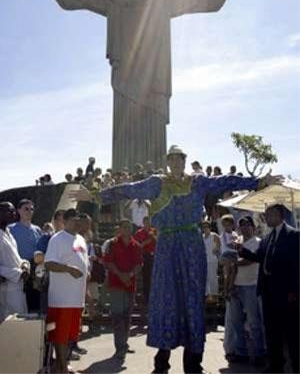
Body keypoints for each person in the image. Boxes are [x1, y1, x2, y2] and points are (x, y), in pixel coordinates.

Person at [16, 0, 262, 172]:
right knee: (125, 109)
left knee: (153, 110)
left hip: (155, 59)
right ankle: (124, 173)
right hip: (126, 58)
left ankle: (154, 172)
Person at [70, 144, 281, 374]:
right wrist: (95, 195)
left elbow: (226, 181)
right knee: (165, 299)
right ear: (167, 162)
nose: (176, 163)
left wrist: (259, 181)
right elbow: (129, 189)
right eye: (172, 159)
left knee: (192, 300)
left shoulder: (197, 182)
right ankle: (162, 362)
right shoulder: (157, 183)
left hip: (192, 245)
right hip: (167, 246)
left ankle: (193, 363)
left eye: (180, 159)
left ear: (184, 160)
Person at [238, 204, 299, 373]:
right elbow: (259, 257)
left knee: (291, 332)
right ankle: (276, 365)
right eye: (265, 214)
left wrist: (295, 291)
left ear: (279, 215)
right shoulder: (267, 237)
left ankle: (296, 366)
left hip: (287, 293)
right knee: (272, 331)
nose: (266, 217)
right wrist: (242, 251)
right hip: (268, 291)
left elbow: (297, 265)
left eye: (269, 214)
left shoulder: (294, 236)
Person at [45, 208, 88, 374]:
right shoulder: (57, 239)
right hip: (62, 299)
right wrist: (68, 269)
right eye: (75, 220)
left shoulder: (81, 239)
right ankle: (62, 368)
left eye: (79, 221)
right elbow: (49, 263)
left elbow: (83, 263)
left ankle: (63, 366)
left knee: (71, 336)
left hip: (77, 298)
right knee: (59, 335)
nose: (78, 223)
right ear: (65, 221)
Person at [227, 216, 266, 365]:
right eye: (241, 225)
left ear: (253, 227)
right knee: (236, 322)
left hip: (251, 285)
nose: (244, 227)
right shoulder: (237, 243)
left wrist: (234, 263)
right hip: (236, 285)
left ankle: (259, 353)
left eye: (247, 224)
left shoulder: (257, 242)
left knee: (254, 322)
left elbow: (251, 260)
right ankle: (241, 353)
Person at [103, 219, 142, 362]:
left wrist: (130, 275)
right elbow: (108, 262)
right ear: (119, 228)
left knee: (127, 316)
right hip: (116, 285)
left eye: (129, 227)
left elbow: (139, 264)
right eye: (124, 227)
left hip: (130, 286)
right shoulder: (112, 244)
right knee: (118, 317)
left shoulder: (136, 245)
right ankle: (120, 347)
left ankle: (124, 344)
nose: (127, 229)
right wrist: (121, 275)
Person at [8, 198, 42, 311]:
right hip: (20, 267)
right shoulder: (10, 229)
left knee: (36, 298)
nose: (29, 211)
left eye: (31, 209)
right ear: (18, 211)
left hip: (36, 269)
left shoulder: (37, 229)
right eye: (26, 209)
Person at [0, 202, 30, 322]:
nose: (13, 214)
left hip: (18, 286)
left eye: (13, 211)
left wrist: (24, 264)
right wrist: (18, 274)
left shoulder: (9, 234)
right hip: (7, 288)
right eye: (9, 211)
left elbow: (15, 258)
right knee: (10, 323)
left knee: (21, 319)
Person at [134, 216, 157, 306]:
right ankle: (146, 298)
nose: (148, 224)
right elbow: (136, 246)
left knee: (154, 278)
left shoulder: (154, 231)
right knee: (146, 278)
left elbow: (159, 242)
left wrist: (153, 237)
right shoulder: (139, 233)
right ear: (143, 223)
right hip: (144, 256)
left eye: (149, 222)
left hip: (154, 256)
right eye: (146, 222)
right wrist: (145, 242)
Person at [220, 214, 240, 300]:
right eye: (225, 225)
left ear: (232, 225)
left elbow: (237, 241)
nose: (227, 227)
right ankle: (225, 291)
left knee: (234, 271)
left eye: (229, 225)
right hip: (227, 254)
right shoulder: (224, 235)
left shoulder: (235, 233)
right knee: (227, 273)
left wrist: (236, 244)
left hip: (234, 254)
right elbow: (229, 244)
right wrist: (236, 245)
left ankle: (230, 288)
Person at [202, 220, 220, 297]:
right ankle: (207, 295)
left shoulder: (214, 235)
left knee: (212, 278)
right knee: (205, 279)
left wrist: (216, 249)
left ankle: (214, 295)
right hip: (203, 260)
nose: (205, 228)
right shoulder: (201, 236)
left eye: (206, 227)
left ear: (210, 227)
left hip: (212, 259)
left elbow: (218, 245)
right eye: (203, 227)